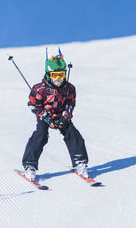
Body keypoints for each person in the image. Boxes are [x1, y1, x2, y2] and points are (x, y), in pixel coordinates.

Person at [22, 51, 89, 181]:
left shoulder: (69, 88)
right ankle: (30, 165)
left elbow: (71, 103)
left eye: (61, 74)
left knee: (73, 134)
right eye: (55, 75)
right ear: (48, 75)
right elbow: (33, 105)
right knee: (40, 135)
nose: (58, 78)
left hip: (61, 115)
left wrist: (66, 116)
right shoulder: (39, 89)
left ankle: (80, 162)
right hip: (45, 116)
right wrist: (45, 117)